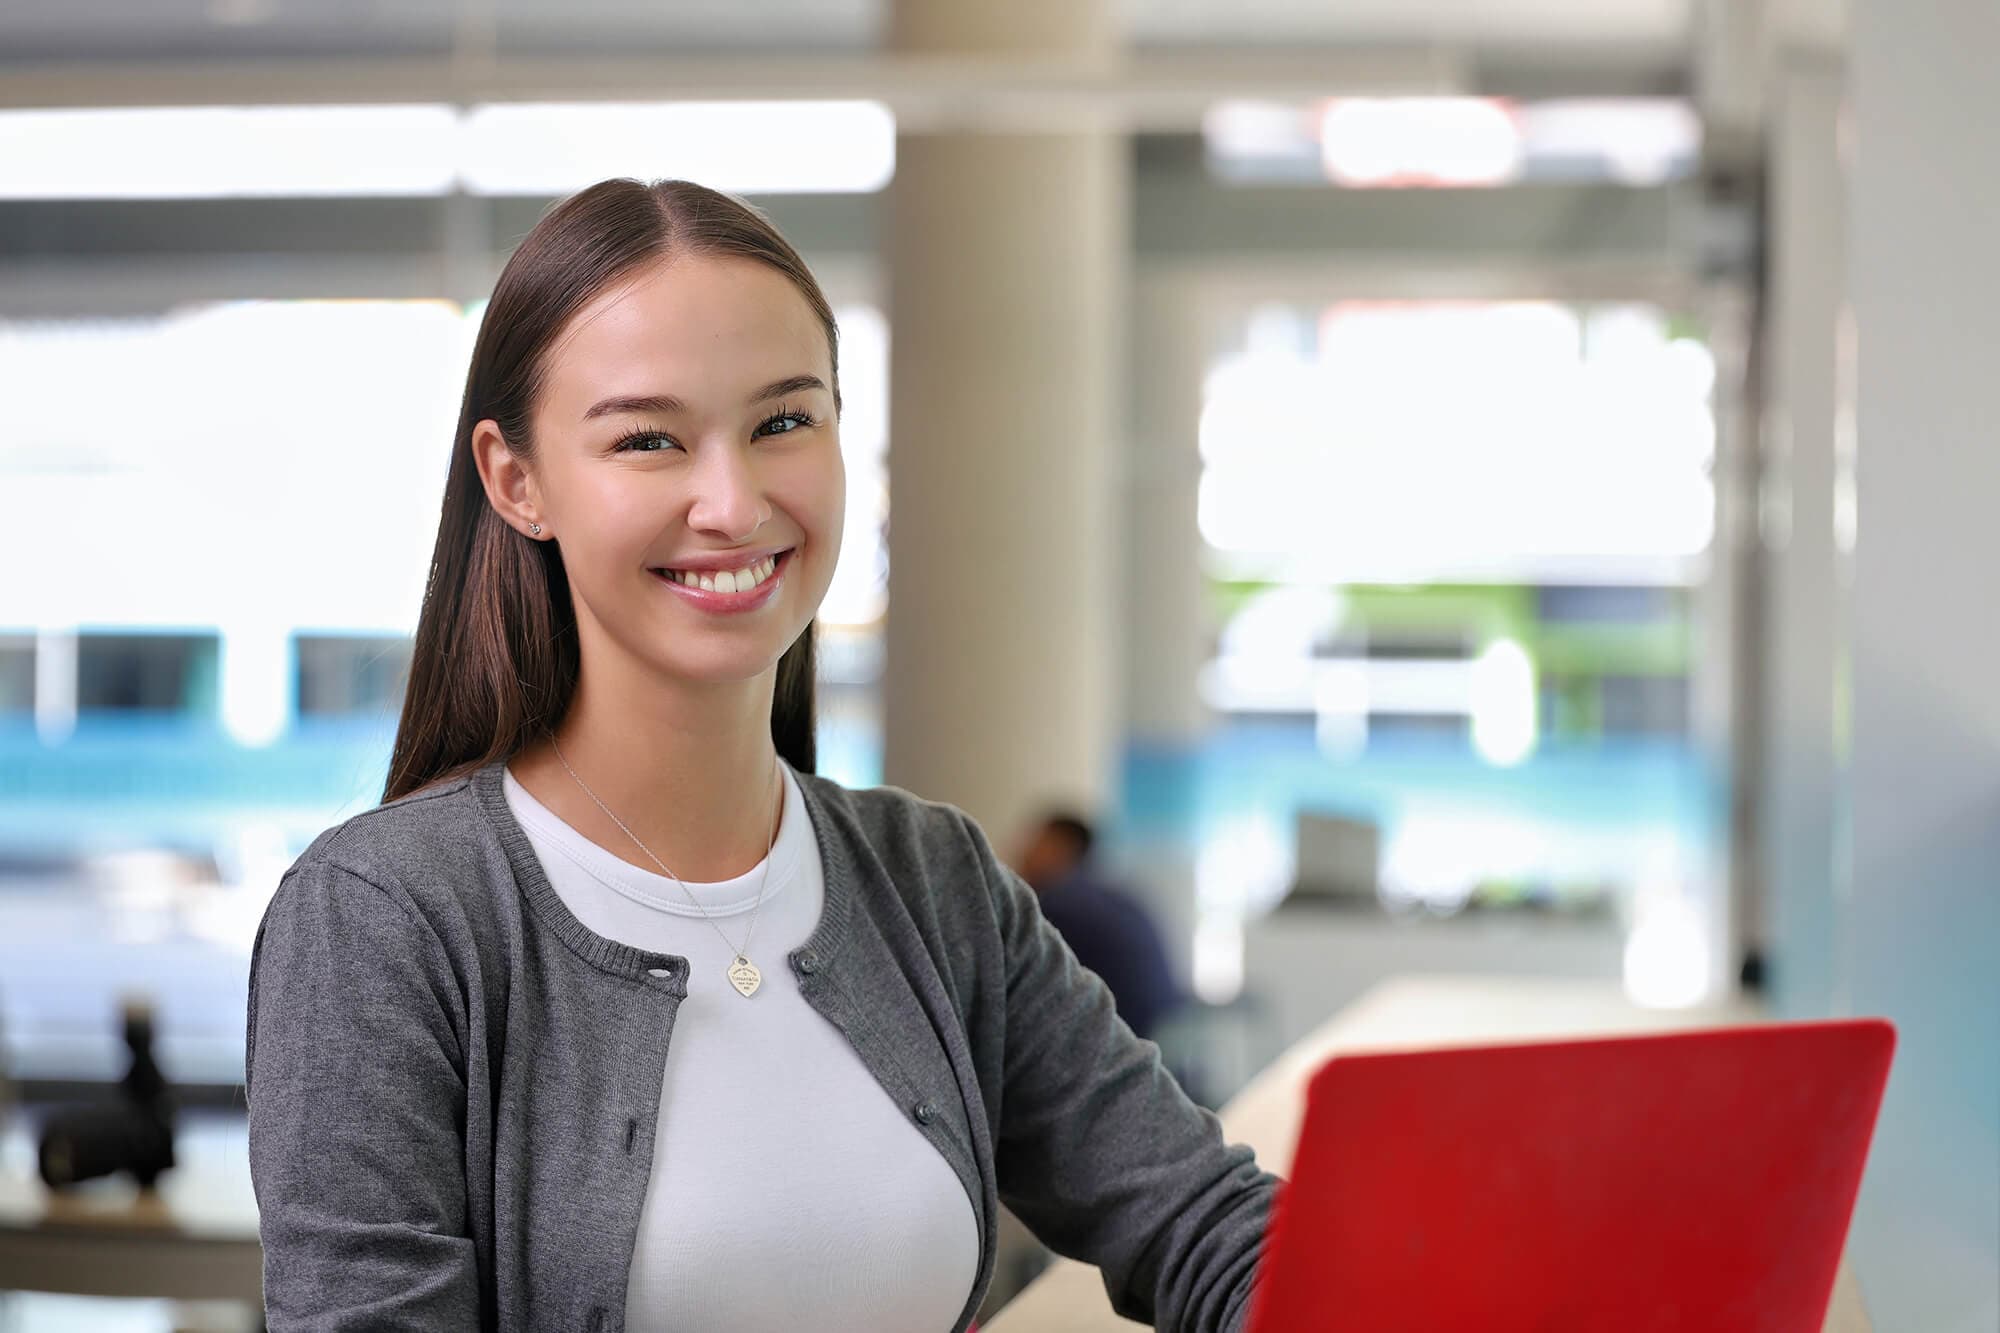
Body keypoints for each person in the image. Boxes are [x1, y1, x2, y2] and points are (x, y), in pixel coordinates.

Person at [243, 178, 1280, 1333]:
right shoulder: (385, 918)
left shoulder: (930, 881)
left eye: (784, 420)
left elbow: (1205, 1229)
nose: (732, 503)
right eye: (647, 439)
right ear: (516, 479)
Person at [1016, 811, 1185, 1042]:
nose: (1023, 853)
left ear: (1060, 848)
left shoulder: (1064, 905)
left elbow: (1031, 993)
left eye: (1036, 843)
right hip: (1160, 1029)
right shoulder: (1110, 896)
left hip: (1123, 1036)